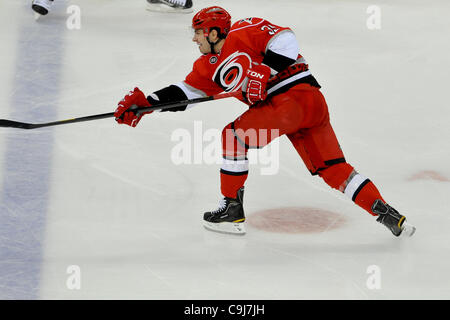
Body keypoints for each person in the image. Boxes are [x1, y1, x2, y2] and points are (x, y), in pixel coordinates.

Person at [114, 6, 416, 237]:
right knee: (333, 169)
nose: (194, 38)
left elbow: (285, 38)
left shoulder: (242, 32)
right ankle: (386, 212)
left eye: (198, 31)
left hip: (291, 99)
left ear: (214, 32)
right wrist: (147, 104)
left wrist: (265, 70)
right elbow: (185, 92)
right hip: (308, 107)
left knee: (233, 138)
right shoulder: (207, 67)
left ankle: (232, 210)